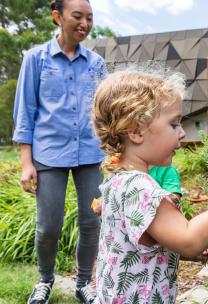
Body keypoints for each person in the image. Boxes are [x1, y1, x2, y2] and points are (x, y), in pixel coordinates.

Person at [92, 69, 208, 303]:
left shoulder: (117, 179)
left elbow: (143, 248)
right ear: (135, 132)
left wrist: (179, 250)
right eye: (174, 124)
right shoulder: (140, 188)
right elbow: (188, 240)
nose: (183, 132)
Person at [12, 1, 106, 303]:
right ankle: (45, 279)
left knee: (92, 222)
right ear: (57, 17)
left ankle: (83, 283)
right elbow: (25, 112)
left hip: (90, 154)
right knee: (48, 226)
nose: (85, 23)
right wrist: (27, 162)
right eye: (77, 16)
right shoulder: (35, 59)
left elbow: (104, 112)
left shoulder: (96, 63)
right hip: (48, 154)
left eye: (89, 18)